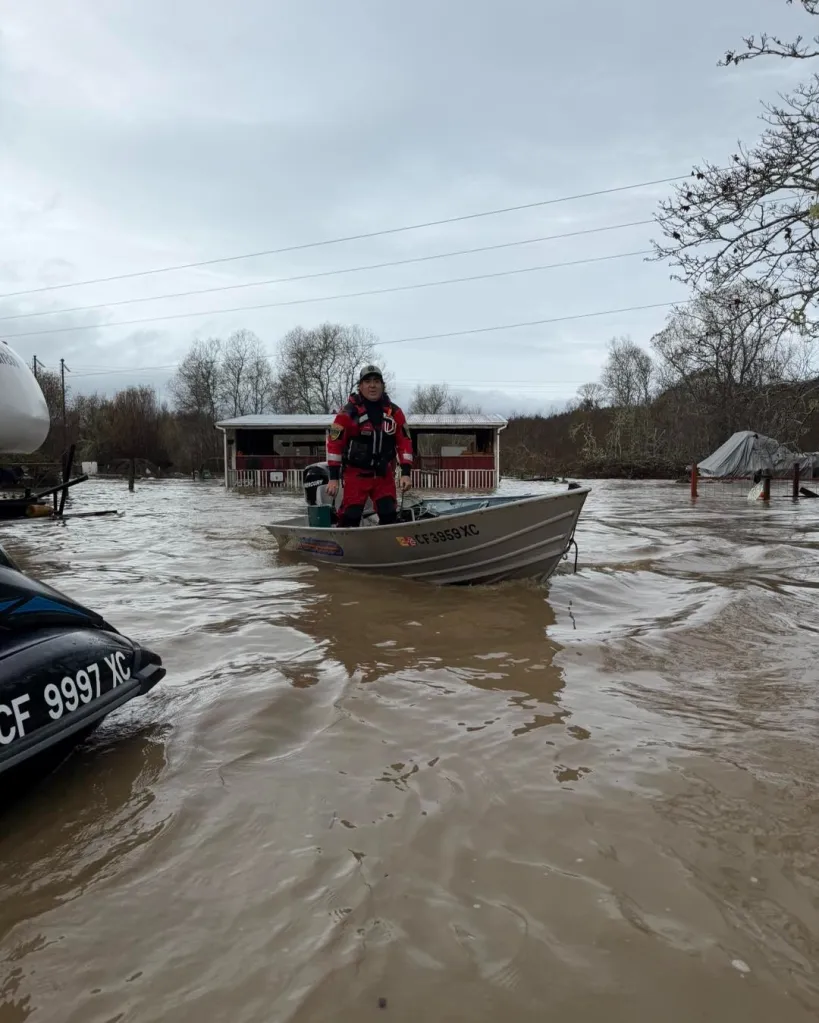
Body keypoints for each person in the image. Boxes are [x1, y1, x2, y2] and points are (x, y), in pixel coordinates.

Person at [325, 364, 413, 526]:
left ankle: (386, 547)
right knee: (351, 516)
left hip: (383, 475)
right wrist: (333, 478)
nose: (372, 385)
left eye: (377, 381)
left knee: (389, 514)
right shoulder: (347, 413)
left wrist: (406, 472)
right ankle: (344, 544)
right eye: (367, 382)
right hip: (356, 474)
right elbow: (334, 444)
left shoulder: (395, 413)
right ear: (360, 386)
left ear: (382, 386)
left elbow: (404, 442)